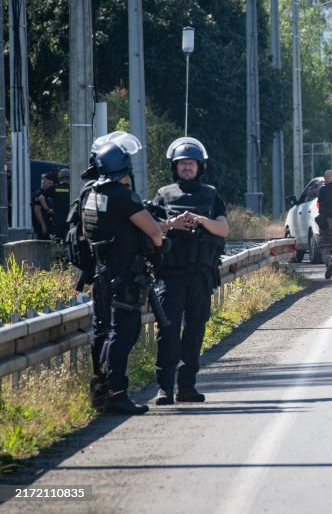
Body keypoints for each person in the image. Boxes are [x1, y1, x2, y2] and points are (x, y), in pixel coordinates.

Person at [80, 133, 164, 414]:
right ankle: (116, 392)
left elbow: (86, 233)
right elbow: (154, 232)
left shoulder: (90, 194)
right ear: (123, 166)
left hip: (101, 272)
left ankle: (100, 391)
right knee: (124, 331)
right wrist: (157, 247)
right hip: (125, 274)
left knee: (103, 331)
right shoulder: (121, 196)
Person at [151, 137, 229, 405]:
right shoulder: (163, 194)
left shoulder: (211, 195)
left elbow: (223, 229)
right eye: (182, 163)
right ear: (175, 167)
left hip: (200, 275)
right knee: (168, 331)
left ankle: (187, 386)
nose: (186, 167)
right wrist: (172, 224)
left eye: (191, 163)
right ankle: (164, 388)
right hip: (170, 275)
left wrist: (201, 220)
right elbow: (152, 228)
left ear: (199, 166)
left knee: (195, 331)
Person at [46, 168, 72, 239]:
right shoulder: (72, 188)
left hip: (56, 218)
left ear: (60, 177)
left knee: (57, 239)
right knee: (67, 239)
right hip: (68, 218)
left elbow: (41, 197)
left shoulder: (54, 187)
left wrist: (47, 209)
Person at [32, 173, 56, 239]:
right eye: (49, 183)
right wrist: (43, 225)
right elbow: (37, 210)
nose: (51, 185)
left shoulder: (48, 193)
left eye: (52, 183)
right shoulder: (39, 193)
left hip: (48, 223)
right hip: (41, 224)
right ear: (43, 181)